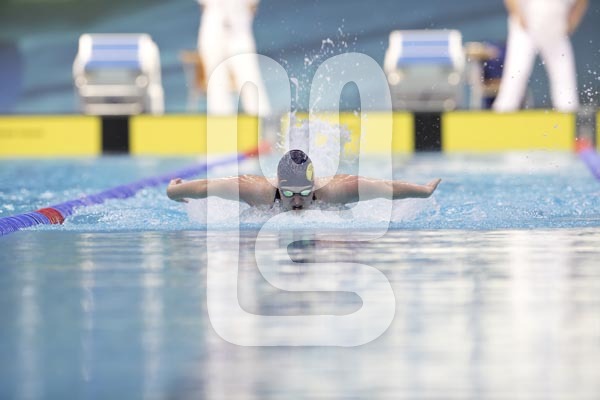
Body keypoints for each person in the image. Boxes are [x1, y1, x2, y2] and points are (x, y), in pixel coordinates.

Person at [167, 150, 441, 211]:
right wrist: (174, 192)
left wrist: (424, 191)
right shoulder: (258, 191)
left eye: (303, 193)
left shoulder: (335, 191)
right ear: (278, 186)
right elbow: (206, 186)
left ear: (314, 187)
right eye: (288, 194)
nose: (297, 201)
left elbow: (386, 187)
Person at [493, 0, 588, 112]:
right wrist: (518, 14)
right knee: (516, 73)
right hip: (526, 28)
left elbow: (582, 2)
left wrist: (573, 21)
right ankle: (503, 113)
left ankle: (569, 115)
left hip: (556, 31)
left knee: (564, 77)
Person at [197, 0, 271, 116]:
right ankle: (221, 121)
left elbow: (252, 6)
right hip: (213, 29)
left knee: (250, 77)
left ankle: (262, 120)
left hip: (239, 30)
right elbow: (204, 5)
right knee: (216, 80)